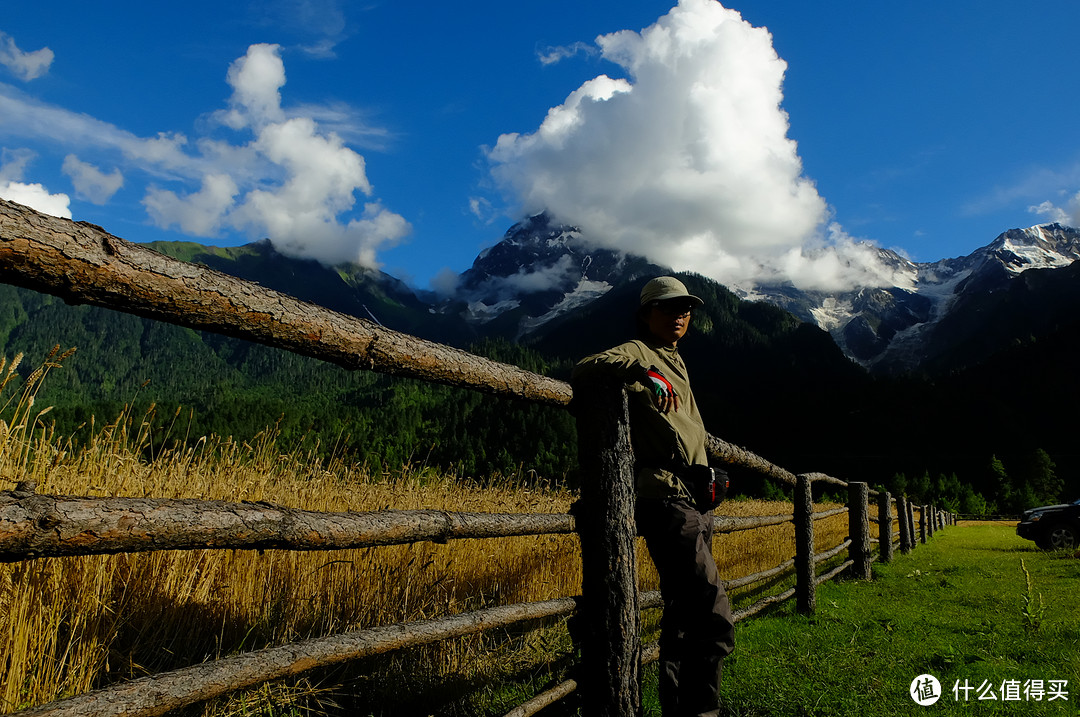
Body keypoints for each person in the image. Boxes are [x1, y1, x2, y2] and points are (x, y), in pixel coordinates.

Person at [571, 276, 734, 717]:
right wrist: (642, 372)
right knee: (712, 612)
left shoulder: (676, 359)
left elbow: (685, 430)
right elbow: (586, 365)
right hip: (665, 499)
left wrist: (705, 469)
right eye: (667, 308)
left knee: (683, 616)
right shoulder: (641, 352)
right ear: (646, 315)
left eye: (685, 308)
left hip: (692, 497)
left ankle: (679, 707)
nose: (679, 315)